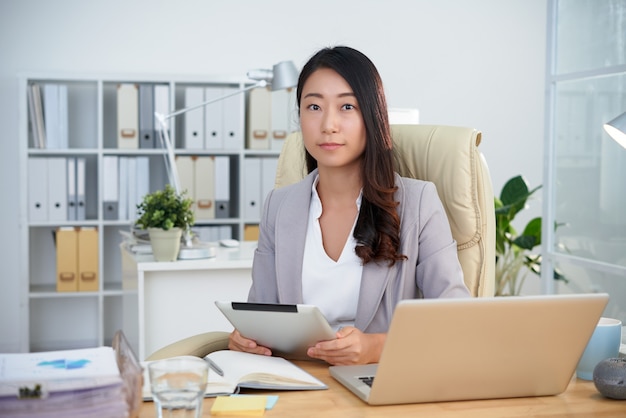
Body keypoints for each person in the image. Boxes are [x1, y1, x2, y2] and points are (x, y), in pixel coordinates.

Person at [229, 46, 470, 365]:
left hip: (380, 382)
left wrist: (378, 347)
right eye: (313, 106)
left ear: (372, 117)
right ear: (299, 116)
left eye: (346, 106)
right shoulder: (279, 206)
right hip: (295, 382)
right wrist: (246, 338)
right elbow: (262, 312)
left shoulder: (418, 203)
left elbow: (457, 320)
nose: (328, 124)